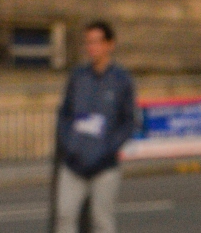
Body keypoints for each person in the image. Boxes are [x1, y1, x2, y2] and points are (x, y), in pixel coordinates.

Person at [54, 21, 139, 233]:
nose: (91, 47)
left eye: (96, 42)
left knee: (102, 221)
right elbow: (64, 114)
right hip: (74, 163)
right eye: (88, 42)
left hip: (104, 166)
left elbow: (130, 121)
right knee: (64, 217)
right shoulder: (78, 77)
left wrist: (108, 149)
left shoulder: (121, 80)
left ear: (110, 44)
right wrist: (69, 144)